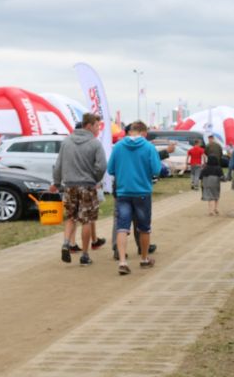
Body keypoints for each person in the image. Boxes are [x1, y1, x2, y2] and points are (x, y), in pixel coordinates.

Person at [50, 113, 107, 266]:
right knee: (86, 220)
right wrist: (95, 178)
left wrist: (56, 182)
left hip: (69, 186)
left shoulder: (67, 141)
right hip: (87, 186)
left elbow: (58, 165)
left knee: (71, 217)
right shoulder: (95, 143)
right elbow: (101, 166)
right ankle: (85, 255)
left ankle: (66, 243)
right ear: (88, 126)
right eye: (97, 126)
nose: (98, 129)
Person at [107, 121, 162, 275]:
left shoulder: (117, 147)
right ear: (143, 132)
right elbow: (157, 169)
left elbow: (110, 169)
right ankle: (144, 259)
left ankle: (123, 261)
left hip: (123, 192)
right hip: (142, 192)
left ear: (130, 131)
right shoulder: (149, 147)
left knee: (122, 227)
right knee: (144, 228)